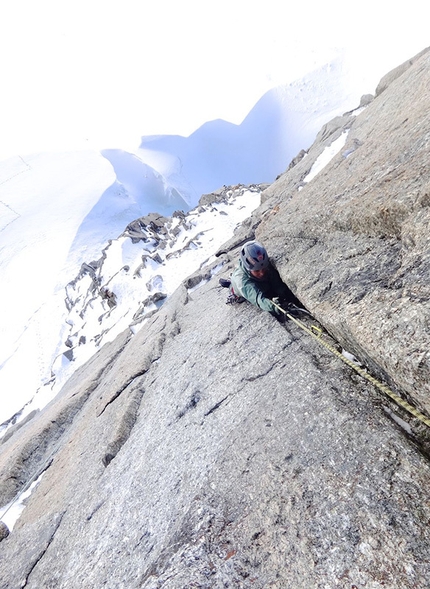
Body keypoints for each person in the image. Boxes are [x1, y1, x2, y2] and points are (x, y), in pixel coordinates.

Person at [219, 240, 304, 320]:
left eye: (263, 268)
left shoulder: (265, 266)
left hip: (259, 282)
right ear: (248, 268)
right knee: (239, 289)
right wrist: (277, 308)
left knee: (266, 282)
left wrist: (286, 295)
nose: (261, 272)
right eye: (257, 271)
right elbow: (258, 300)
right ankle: (230, 285)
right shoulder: (242, 281)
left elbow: (276, 283)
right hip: (242, 286)